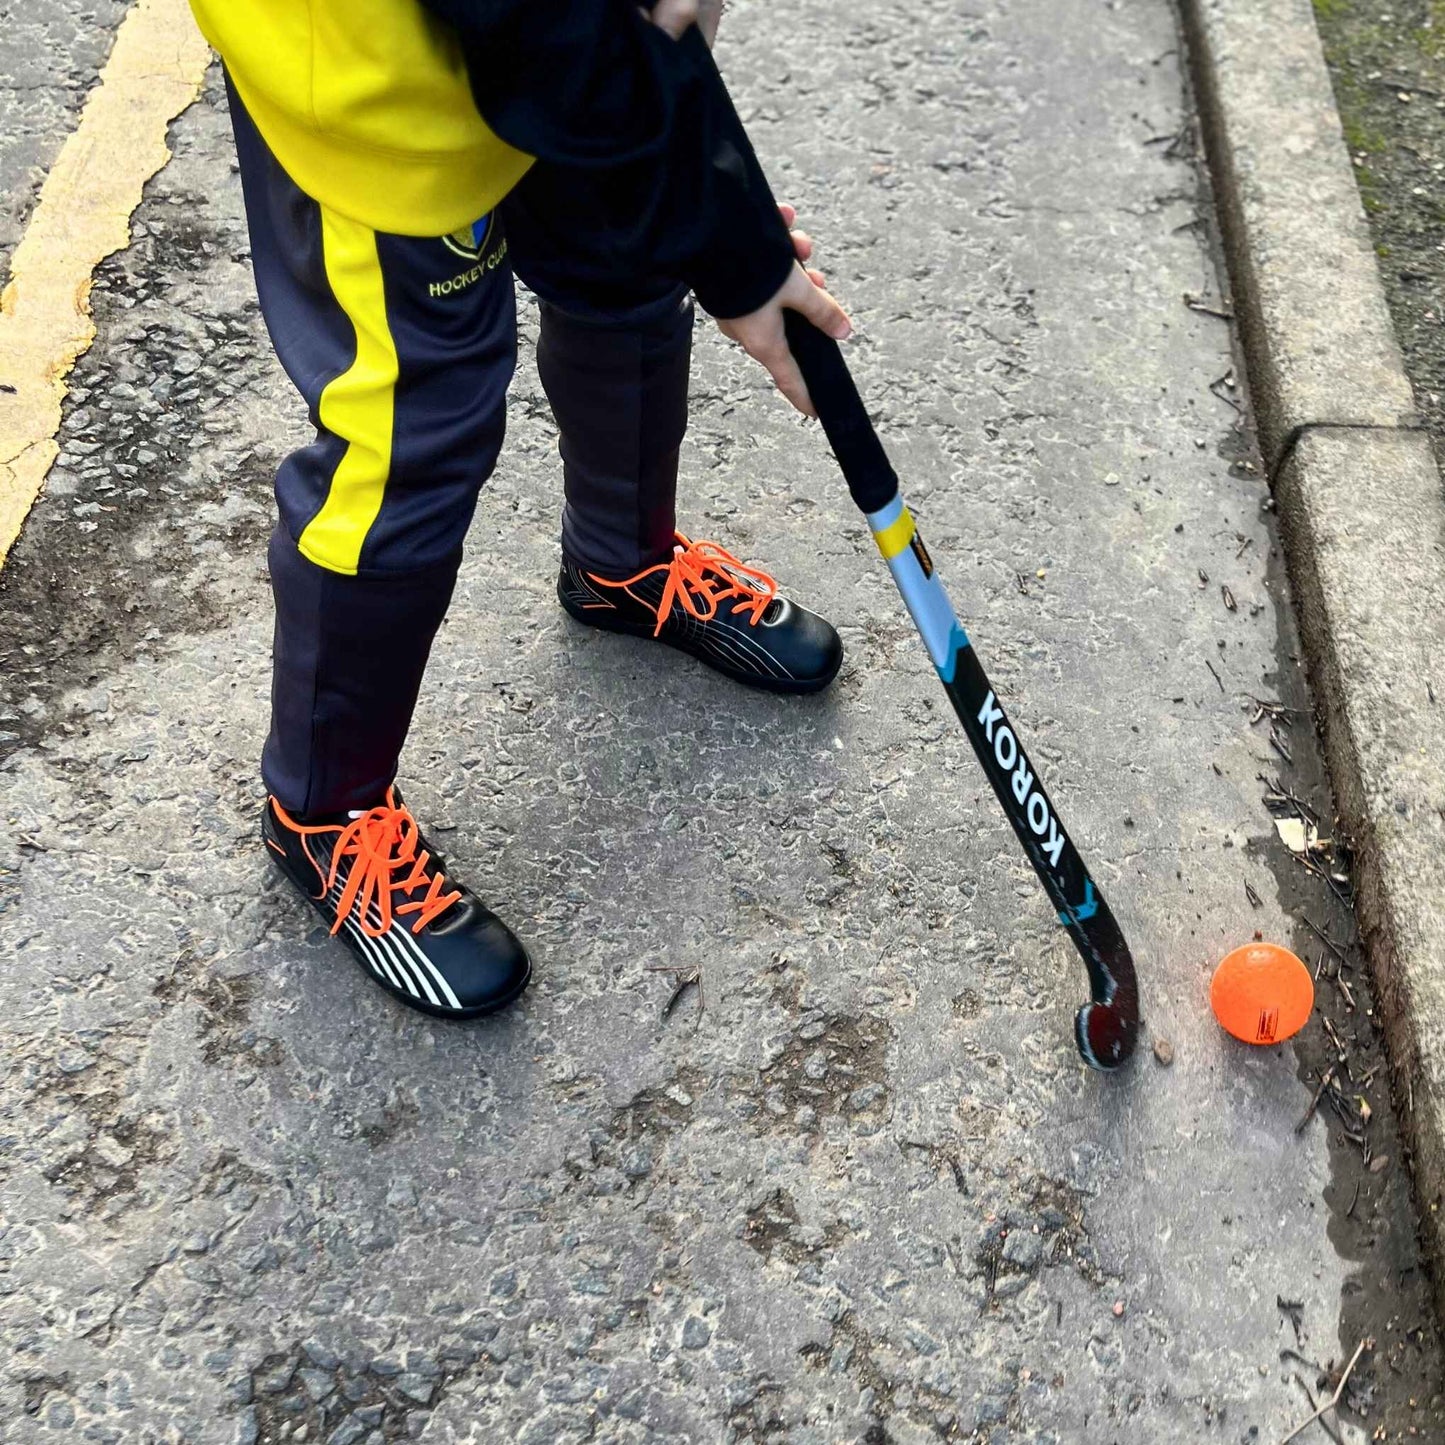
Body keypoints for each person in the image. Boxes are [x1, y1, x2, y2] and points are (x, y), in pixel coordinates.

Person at [188, 0, 853, 1019]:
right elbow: (543, 32)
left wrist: (677, 146)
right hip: (381, 88)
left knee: (626, 252)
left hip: (557, 32)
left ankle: (621, 567)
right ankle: (322, 810)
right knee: (413, 428)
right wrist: (730, 240)